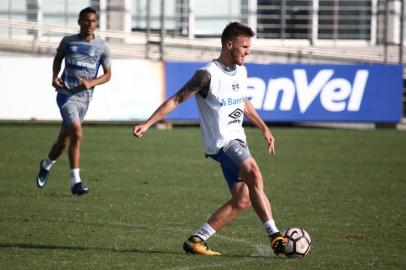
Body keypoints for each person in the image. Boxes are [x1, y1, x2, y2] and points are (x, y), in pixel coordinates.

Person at [133, 22, 286, 256]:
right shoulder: (207, 75)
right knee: (254, 171)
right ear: (229, 44)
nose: (248, 51)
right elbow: (176, 99)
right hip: (223, 144)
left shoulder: (241, 71)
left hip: (238, 141)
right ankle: (275, 236)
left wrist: (264, 128)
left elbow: (242, 101)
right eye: (244, 46)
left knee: (242, 200)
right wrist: (148, 123)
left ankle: (197, 240)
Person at [36, 7, 112, 195]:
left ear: (96, 23)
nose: (90, 25)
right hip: (66, 94)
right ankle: (75, 182)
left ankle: (46, 164)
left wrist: (91, 83)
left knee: (64, 141)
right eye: (86, 21)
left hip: (84, 99)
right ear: (79, 22)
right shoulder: (68, 42)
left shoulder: (101, 46)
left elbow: (108, 75)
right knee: (77, 133)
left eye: (93, 21)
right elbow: (58, 59)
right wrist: (54, 77)